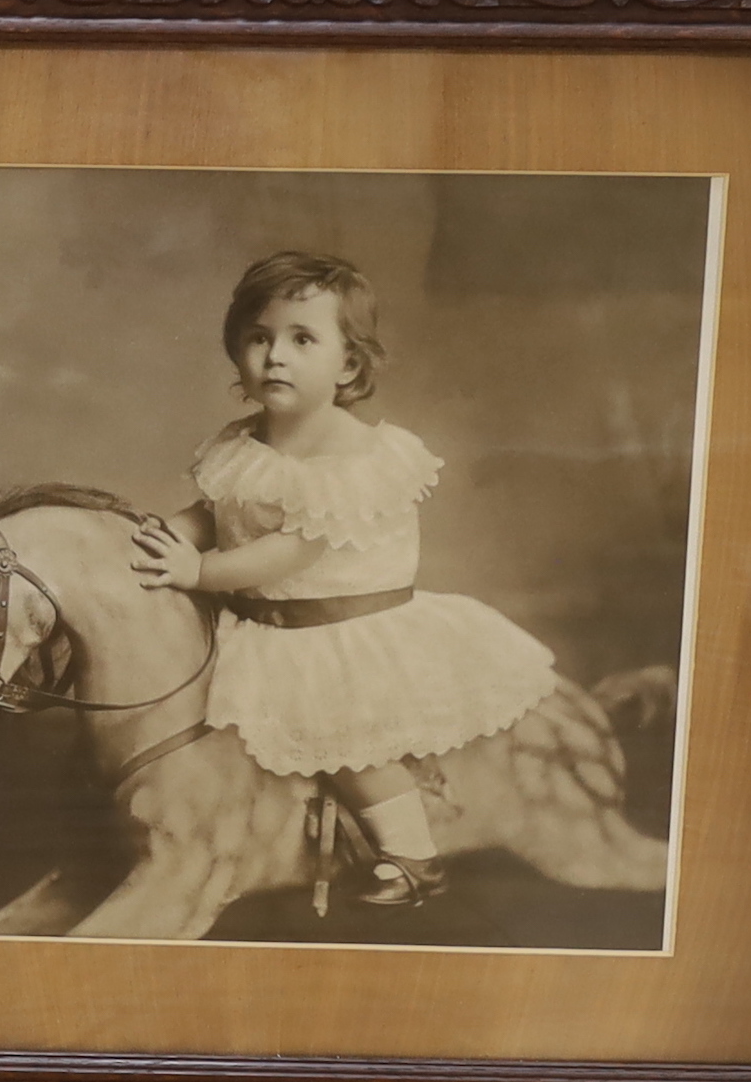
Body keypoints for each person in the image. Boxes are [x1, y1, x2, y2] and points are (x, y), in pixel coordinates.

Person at [129, 251, 558, 905]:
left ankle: (413, 858)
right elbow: (217, 511)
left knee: (350, 743)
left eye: (303, 340)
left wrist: (198, 570)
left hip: (336, 632)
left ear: (348, 364)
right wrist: (167, 535)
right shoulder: (244, 442)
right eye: (259, 338)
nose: (275, 357)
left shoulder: (350, 455)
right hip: (261, 622)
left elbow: (287, 552)